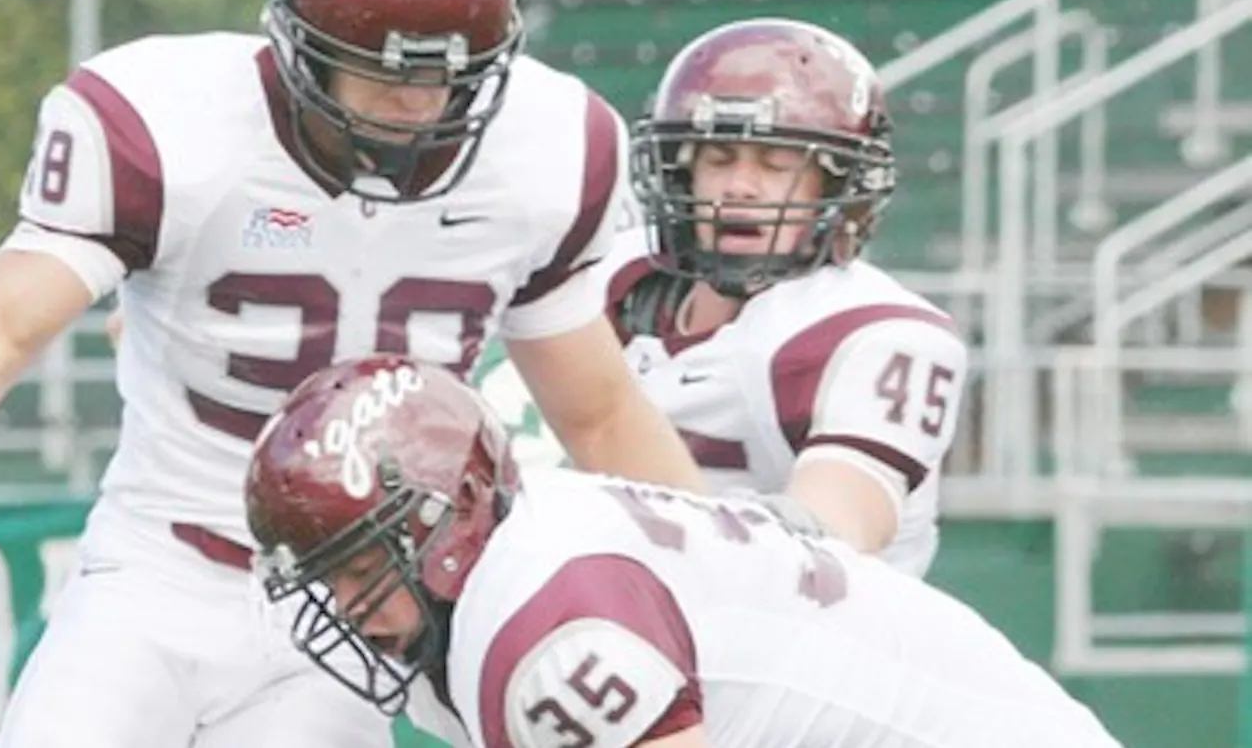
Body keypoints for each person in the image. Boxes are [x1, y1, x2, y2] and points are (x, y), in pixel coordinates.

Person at [0, 0, 704, 748]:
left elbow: (600, 413)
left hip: (357, 605)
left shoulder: (547, 148)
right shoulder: (177, 127)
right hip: (157, 566)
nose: (420, 105)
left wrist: (732, 554)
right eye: (386, 72)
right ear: (301, 41)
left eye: (446, 74)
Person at [245, 356, 1124, 748]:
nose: (350, 609)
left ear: (458, 514)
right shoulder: (529, 548)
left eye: (362, 569)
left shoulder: (552, 631)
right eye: (328, 577)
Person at [474, 18, 968, 576]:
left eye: (776, 164)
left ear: (838, 189)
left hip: (793, 619)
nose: (740, 187)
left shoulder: (873, 331)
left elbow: (836, 529)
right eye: (718, 159)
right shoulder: (606, 274)